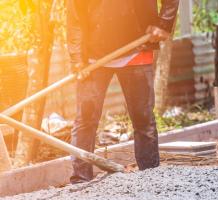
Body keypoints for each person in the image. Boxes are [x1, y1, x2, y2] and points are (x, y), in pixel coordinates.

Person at [67, 0, 179, 183]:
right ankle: (80, 179)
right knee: (85, 118)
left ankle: (150, 178)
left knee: (143, 119)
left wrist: (164, 23)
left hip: (137, 46)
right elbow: (74, 14)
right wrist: (76, 57)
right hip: (93, 56)